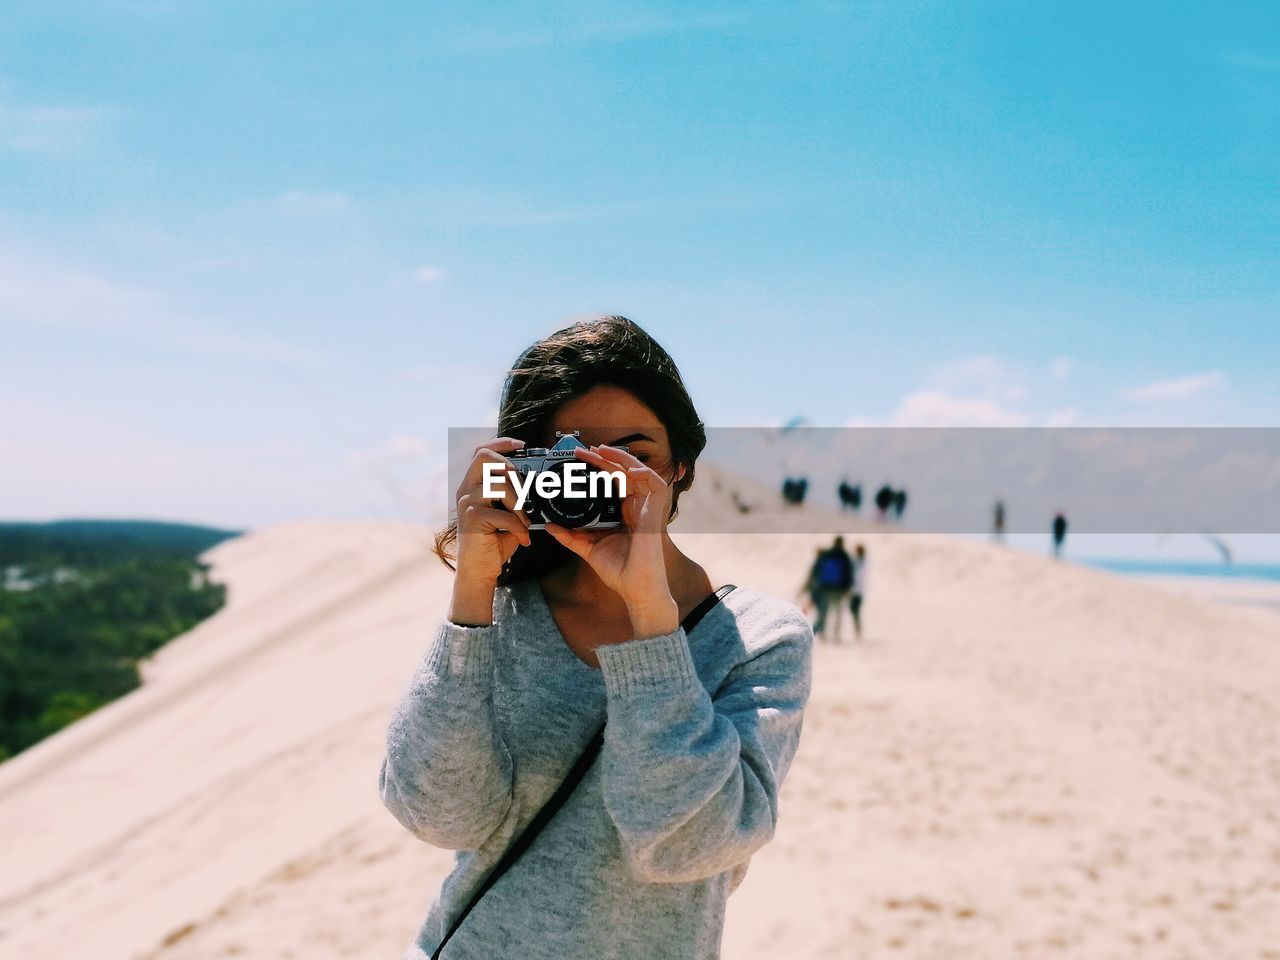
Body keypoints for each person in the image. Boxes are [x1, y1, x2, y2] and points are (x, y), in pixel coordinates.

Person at [378, 316, 814, 960]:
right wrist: (471, 595)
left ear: (684, 469)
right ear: (530, 468)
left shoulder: (761, 639)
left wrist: (650, 616)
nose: (609, 480)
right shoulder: (501, 615)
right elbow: (439, 816)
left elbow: (686, 845)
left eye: (635, 457)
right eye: (575, 457)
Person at [802, 536, 853, 643]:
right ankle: (836, 636)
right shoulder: (845, 556)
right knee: (838, 614)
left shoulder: (826, 554)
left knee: (824, 613)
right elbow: (849, 573)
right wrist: (848, 588)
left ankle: (823, 636)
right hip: (839, 590)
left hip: (825, 588)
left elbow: (817, 570)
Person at [849, 543, 868, 641]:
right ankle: (858, 632)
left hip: (855, 592)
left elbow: (856, 577)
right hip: (859, 591)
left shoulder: (859, 562)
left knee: (855, 612)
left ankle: (858, 632)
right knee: (855, 612)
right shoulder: (863, 561)